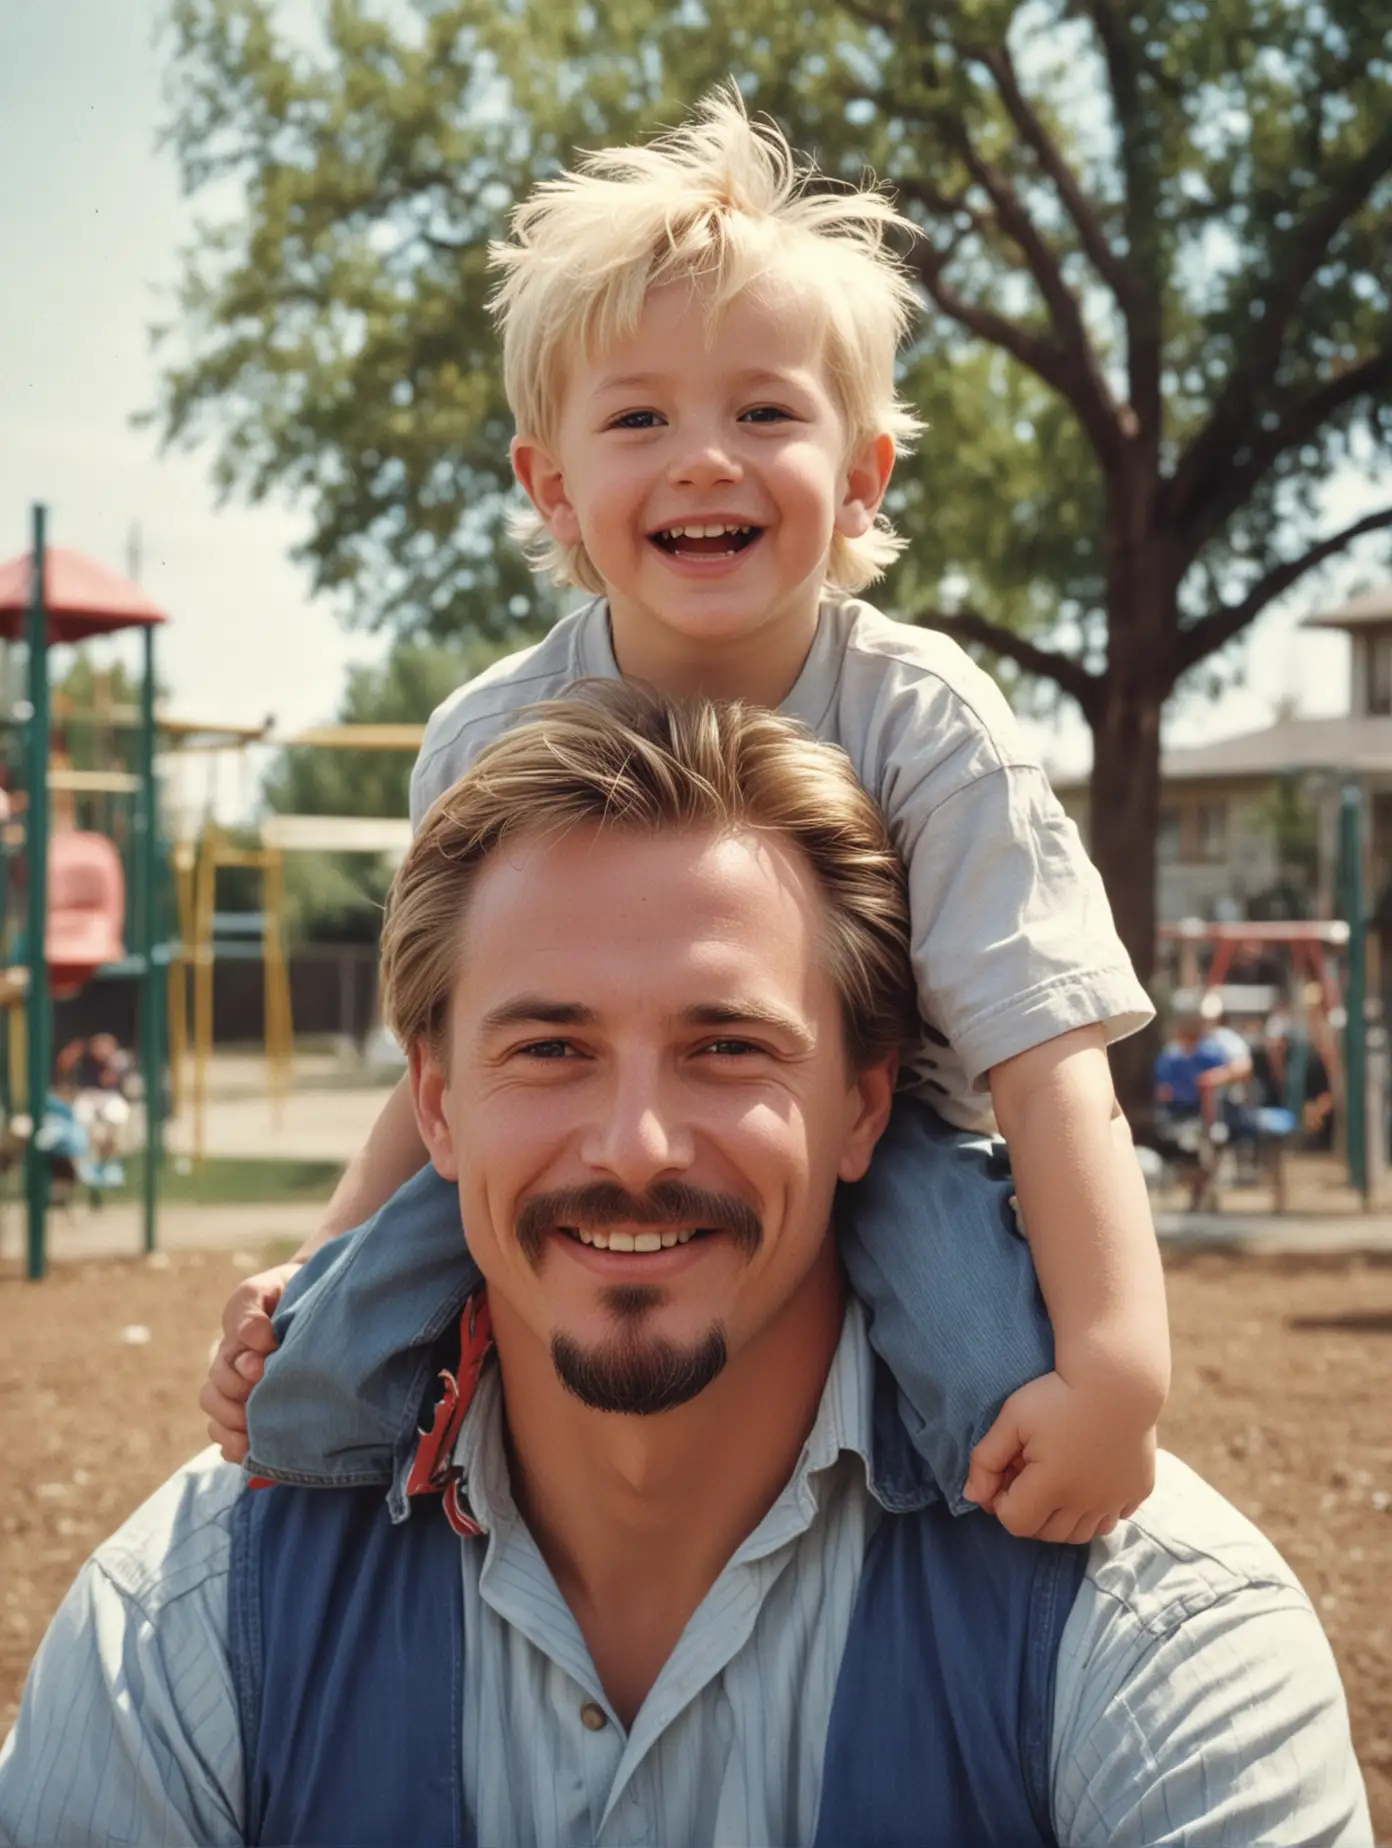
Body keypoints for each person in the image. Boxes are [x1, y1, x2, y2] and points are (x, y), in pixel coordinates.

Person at [0, 685, 1369, 1846]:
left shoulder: (1153, 1647)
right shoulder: (184, 1632)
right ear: (433, 1106)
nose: (636, 1144)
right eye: (548, 1049)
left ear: (867, 1106)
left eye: (729, 1047)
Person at [205, 86, 1166, 1544]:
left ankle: (897, 1548)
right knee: (315, 1359)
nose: (704, 457)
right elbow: (446, 1061)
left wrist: (1116, 1364)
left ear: (858, 479)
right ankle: (410, 1513)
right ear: (553, 490)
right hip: (593, 1114)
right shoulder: (489, 735)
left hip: (880, 1124)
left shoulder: (926, 720)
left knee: (985, 1365)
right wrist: (329, 1259)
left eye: (764, 412)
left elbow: (1049, 1061)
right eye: (640, 417)